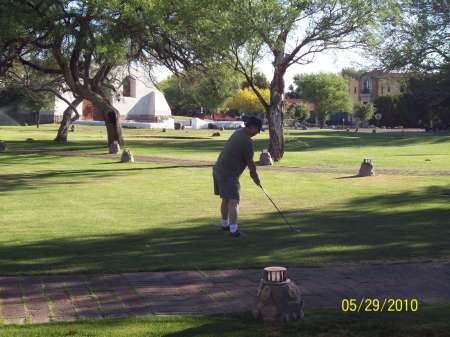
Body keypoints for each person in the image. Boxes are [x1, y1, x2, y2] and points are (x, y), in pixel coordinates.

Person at [213, 116, 262, 237]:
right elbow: (250, 163)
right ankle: (234, 231)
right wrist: (256, 178)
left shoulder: (238, 132)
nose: (257, 133)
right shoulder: (247, 141)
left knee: (226, 199)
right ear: (252, 127)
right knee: (234, 201)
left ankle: (225, 225)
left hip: (218, 170)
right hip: (228, 174)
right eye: (258, 130)